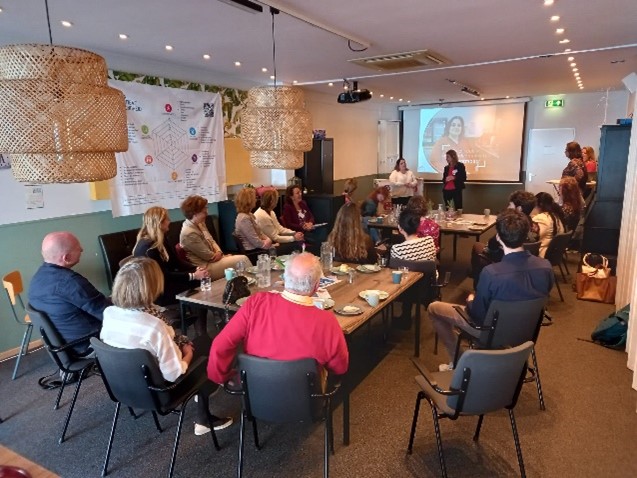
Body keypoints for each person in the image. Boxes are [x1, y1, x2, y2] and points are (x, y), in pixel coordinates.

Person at [100, 257, 232, 435]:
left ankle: (204, 388)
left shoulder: (109, 313)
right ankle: (204, 417)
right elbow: (173, 374)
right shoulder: (153, 326)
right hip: (161, 391)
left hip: (123, 385)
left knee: (200, 344)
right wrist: (187, 354)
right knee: (207, 345)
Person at [428, 210, 554, 370]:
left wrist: (471, 301)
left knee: (434, 308)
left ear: (499, 238)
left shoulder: (492, 273)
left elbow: (478, 315)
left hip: (490, 332)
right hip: (526, 331)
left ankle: (458, 361)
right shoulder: (545, 267)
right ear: (526, 235)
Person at [207, 252, 349, 385]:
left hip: (255, 390)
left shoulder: (256, 303)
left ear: (284, 279)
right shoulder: (327, 321)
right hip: (305, 400)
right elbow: (340, 367)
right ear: (317, 286)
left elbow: (221, 344)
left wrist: (222, 377)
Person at [133, 206, 210, 337]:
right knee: (197, 285)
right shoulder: (149, 248)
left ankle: (198, 323)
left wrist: (195, 268)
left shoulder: (160, 239)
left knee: (199, 280)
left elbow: (177, 262)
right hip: (157, 291)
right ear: (159, 223)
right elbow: (164, 276)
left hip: (165, 283)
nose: (170, 221)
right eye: (167, 219)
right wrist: (193, 276)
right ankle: (200, 331)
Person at [29, 231, 111, 354]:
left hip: (64, 344)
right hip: (88, 344)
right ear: (66, 258)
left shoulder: (37, 278)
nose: (82, 249)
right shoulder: (71, 282)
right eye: (78, 249)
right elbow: (107, 314)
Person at [471, 190, 539, 286]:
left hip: (504, 261)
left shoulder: (510, 226)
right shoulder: (535, 226)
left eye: (510, 205)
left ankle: (478, 283)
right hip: (525, 262)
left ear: (519, 208)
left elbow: (492, 245)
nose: (508, 208)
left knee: (477, 246)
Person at [179, 195, 249, 278]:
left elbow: (211, 240)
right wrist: (221, 256)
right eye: (204, 211)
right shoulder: (189, 233)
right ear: (195, 213)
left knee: (238, 260)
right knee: (242, 259)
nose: (207, 212)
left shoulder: (200, 223)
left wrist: (220, 253)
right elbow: (210, 257)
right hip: (205, 267)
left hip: (214, 260)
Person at [390, 208, 438, 329]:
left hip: (405, 290)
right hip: (428, 286)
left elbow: (394, 273)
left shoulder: (397, 249)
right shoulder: (429, 241)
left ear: (400, 229)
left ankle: (405, 316)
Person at [254, 189, 304, 255]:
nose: (277, 202)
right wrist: (294, 238)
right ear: (272, 201)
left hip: (274, 241)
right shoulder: (262, 216)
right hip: (268, 247)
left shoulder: (271, 212)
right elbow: (275, 238)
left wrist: (294, 233)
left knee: (298, 242)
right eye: (276, 199)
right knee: (297, 245)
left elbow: (279, 228)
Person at [234, 187, 274, 253]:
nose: (256, 200)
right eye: (255, 198)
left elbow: (260, 233)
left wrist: (268, 240)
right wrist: (268, 243)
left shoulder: (248, 214)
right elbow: (255, 241)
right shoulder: (244, 218)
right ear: (249, 201)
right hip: (252, 250)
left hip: (257, 246)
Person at [532, 192, 566, 258]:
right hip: (554, 253)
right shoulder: (555, 216)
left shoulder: (540, 218)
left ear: (539, 204)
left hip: (541, 254)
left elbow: (533, 238)